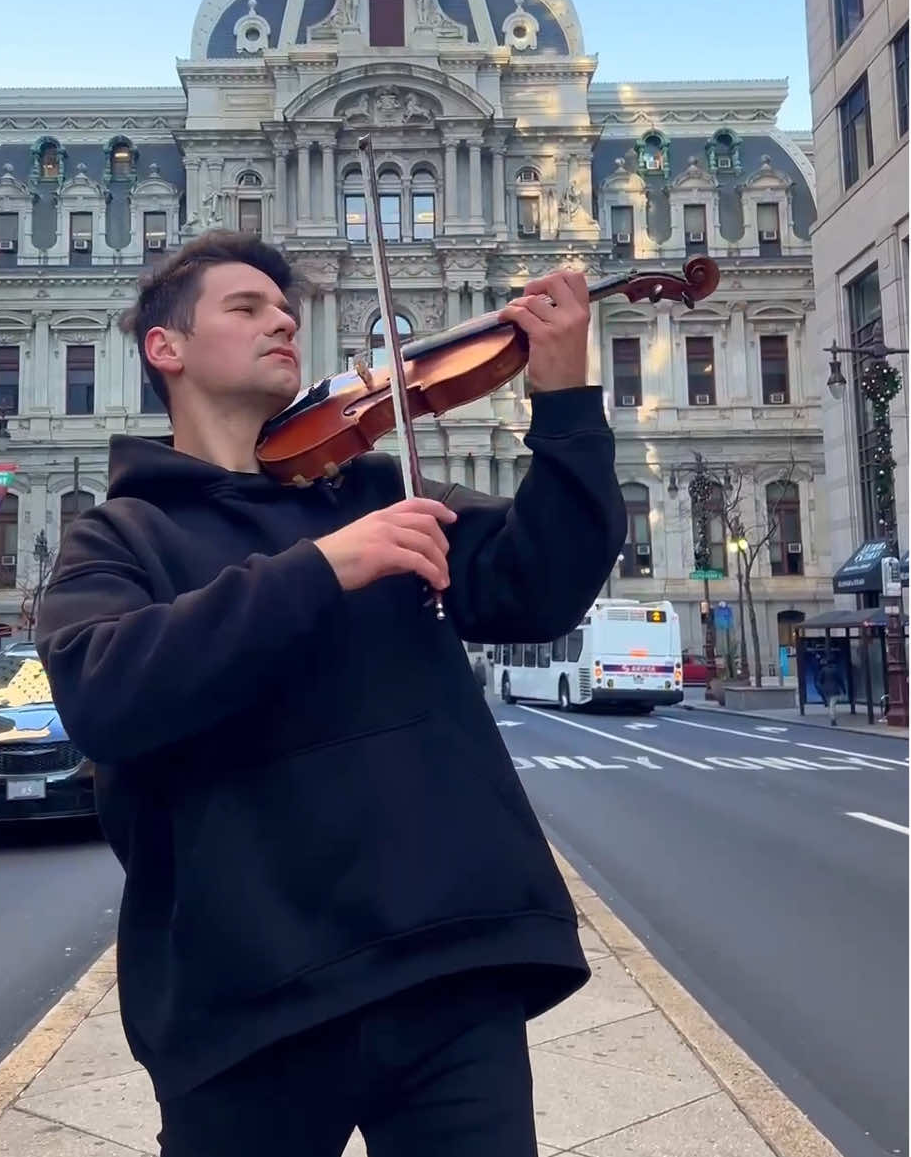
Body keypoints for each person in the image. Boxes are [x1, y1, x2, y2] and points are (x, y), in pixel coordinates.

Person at [36, 230, 627, 1157]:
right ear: (167, 347)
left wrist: (563, 402)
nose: (282, 319)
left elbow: (540, 584)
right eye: (246, 306)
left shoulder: (376, 489)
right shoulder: (119, 536)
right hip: (243, 1004)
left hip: (445, 970)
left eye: (287, 308)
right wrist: (320, 568)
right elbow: (103, 692)